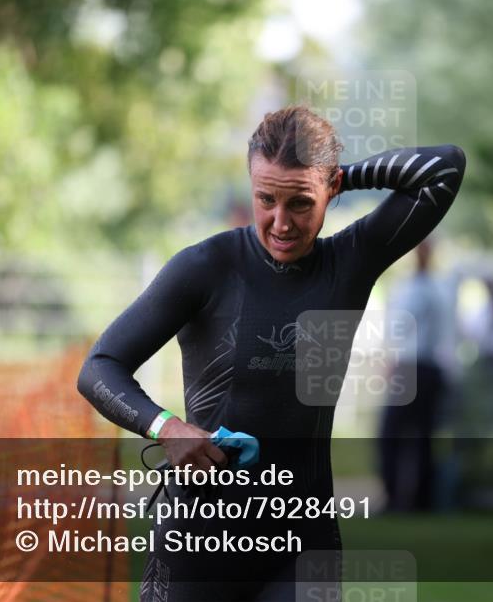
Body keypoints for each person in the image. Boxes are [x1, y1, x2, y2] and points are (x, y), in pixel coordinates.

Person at [77, 105, 465, 601]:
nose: (280, 223)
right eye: (265, 199)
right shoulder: (205, 267)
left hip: (303, 544)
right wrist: (166, 428)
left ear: (331, 190)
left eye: (300, 202)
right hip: (199, 540)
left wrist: (342, 175)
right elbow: (99, 367)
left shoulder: (350, 261)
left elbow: (445, 168)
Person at [379, 238, 451, 511]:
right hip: (421, 367)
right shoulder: (433, 288)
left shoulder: (424, 288)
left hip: (415, 366)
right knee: (418, 436)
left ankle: (403, 498)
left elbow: (404, 329)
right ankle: (415, 499)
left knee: (397, 434)